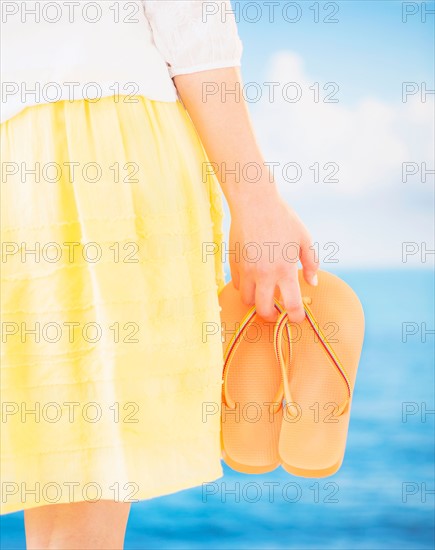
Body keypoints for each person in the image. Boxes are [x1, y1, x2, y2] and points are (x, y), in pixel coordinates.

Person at [0, 1, 319, 548]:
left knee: (60, 494)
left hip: (28, 154)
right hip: (102, 146)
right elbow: (193, 30)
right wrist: (255, 199)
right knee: (78, 500)